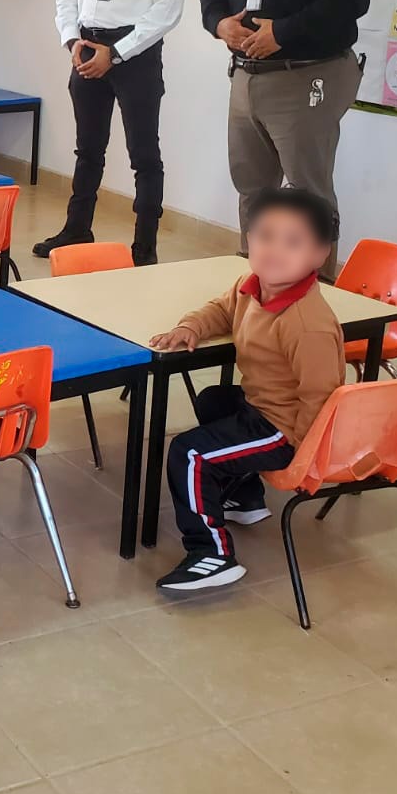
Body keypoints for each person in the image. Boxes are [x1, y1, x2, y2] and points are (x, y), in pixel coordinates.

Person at [198, 0, 379, 271]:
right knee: (252, 187)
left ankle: (314, 289)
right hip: (246, 77)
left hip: (309, 74)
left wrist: (283, 32)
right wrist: (219, 24)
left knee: (308, 192)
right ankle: (256, 278)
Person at [147, 188, 344, 591]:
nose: (274, 250)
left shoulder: (307, 324)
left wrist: (303, 457)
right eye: (265, 236)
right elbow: (222, 309)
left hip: (286, 429)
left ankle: (212, 554)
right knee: (214, 400)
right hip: (263, 407)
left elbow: (322, 396)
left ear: (320, 254)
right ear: (249, 238)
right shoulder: (252, 285)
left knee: (189, 454)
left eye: (293, 242)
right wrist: (190, 326)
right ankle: (246, 497)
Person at [34, 0, 191, 265]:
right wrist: (72, 39)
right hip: (87, 45)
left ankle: (144, 248)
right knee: (88, 149)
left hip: (135, 53)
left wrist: (117, 52)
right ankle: (76, 229)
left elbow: (167, 9)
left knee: (144, 156)